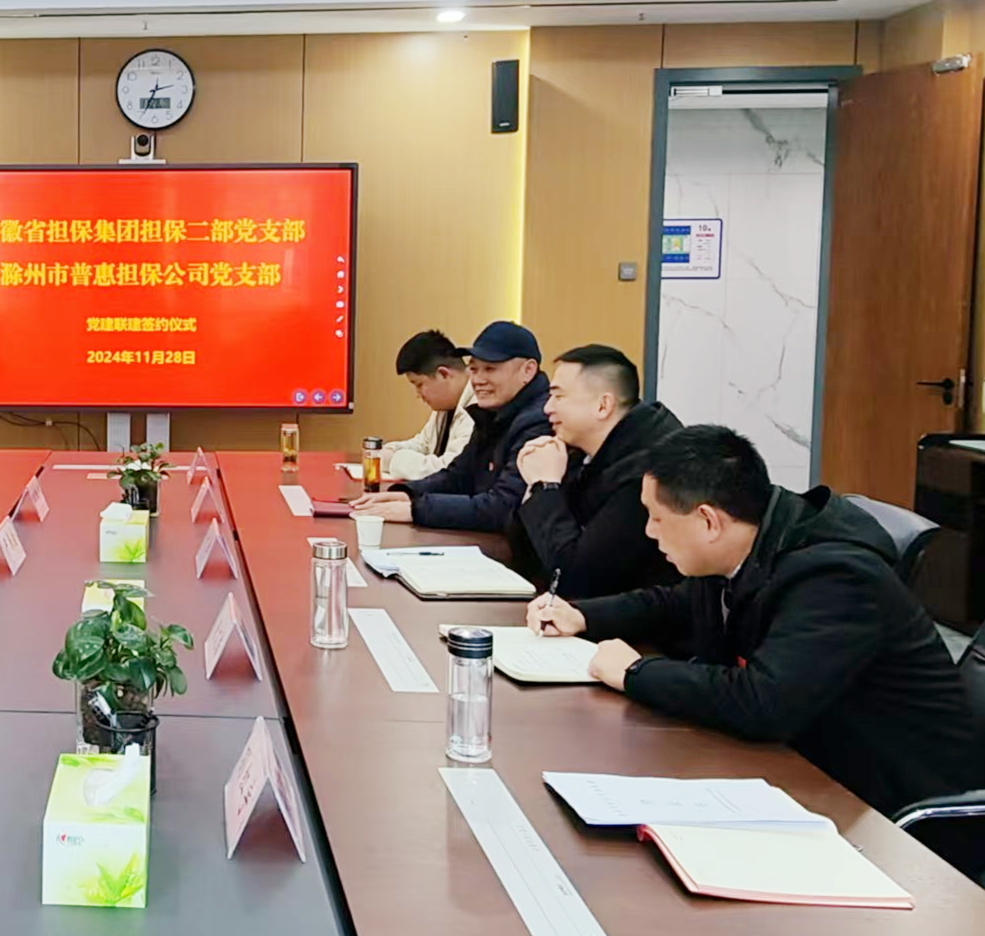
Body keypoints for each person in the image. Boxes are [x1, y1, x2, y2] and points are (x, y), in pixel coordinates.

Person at [528, 425, 980, 815]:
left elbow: (765, 703)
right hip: (806, 766)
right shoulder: (748, 540)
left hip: (889, 808)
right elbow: (677, 604)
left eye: (657, 518)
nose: (648, 531)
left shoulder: (836, 577)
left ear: (708, 521)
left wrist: (634, 672)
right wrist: (583, 615)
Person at [506, 344, 681, 597]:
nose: (547, 408)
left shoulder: (647, 473)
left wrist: (546, 487)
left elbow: (576, 581)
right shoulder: (580, 452)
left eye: (558, 397)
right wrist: (536, 488)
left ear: (603, 406)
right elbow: (528, 557)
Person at [352, 321, 551, 532]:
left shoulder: (538, 421)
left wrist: (416, 509)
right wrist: (407, 494)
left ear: (528, 370)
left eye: (490, 369)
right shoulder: (492, 412)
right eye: (473, 369)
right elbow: (458, 476)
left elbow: (502, 508)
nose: (477, 380)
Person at [379, 329, 477, 481]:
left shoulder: (479, 407)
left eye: (419, 384)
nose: (418, 394)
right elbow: (423, 445)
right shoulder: (446, 405)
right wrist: (390, 450)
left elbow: (450, 470)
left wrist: (393, 460)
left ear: (443, 374)